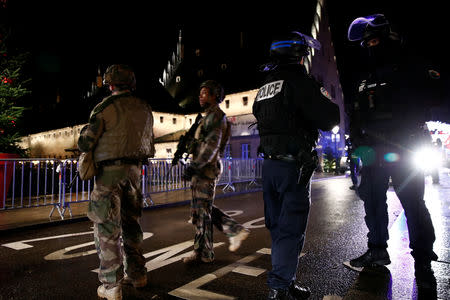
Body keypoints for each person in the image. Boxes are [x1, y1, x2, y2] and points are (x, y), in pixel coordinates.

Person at [346, 14, 439, 291]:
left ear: (386, 39)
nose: (370, 47)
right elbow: (356, 114)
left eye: (374, 40)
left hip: (403, 145)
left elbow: (429, 94)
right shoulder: (364, 77)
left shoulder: (407, 66)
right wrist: (358, 144)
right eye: (367, 43)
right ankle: (376, 250)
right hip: (372, 150)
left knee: (413, 204)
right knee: (372, 201)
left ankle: (422, 260)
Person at [252, 31, 340, 300]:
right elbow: (330, 118)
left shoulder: (266, 85)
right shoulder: (299, 81)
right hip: (294, 167)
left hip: (269, 167)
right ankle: (279, 287)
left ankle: (285, 280)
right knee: (292, 227)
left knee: (278, 226)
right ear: (299, 57)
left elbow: (259, 114)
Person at [78, 64, 155, 300]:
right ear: (131, 84)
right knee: (132, 224)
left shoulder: (104, 107)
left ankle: (112, 285)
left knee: (107, 227)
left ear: (110, 84)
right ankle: (138, 275)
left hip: (109, 174)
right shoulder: (145, 107)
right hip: (134, 172)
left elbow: (85, 143)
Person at [181, 80, 250, 264]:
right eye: (200, 92)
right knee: (201, 211)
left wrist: (195, 167)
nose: (200, 96)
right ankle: (233, 230)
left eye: (204, 93)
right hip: (203, 169)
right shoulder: (208, 117)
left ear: (214, 96)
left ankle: (203, 253)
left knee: (202, 213)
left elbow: (211, 146)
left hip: (205, 170)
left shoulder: (216, 116)